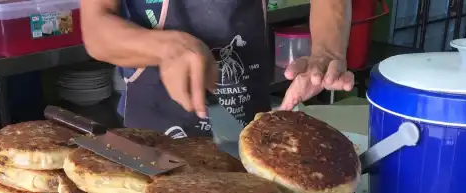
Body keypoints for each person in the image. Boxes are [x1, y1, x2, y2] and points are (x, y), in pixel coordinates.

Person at [81, 0, 354, 137]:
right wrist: (168, 48)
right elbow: (96, 28)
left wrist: (327, 52)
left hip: (245, 117)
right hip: (152, 134)